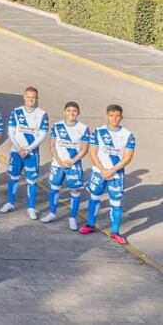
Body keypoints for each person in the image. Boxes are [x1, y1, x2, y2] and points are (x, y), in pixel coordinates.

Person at [80, 104, 136, 245]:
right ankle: (90, 225)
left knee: (116, 203)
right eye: (111, 115)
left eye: (117, 116)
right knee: (94, 198)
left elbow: (127, 158)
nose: (114, 118)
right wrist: (103, 170)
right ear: (106, 116)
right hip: (99, 172)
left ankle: (115, 232)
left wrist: (111, 171)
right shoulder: (98, 132)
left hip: (116, 174)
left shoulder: (128, 135)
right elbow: (92, 153)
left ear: (121, 117)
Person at [1, 86, 49, 219]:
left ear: (36, 99)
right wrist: (18, 148)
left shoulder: (42, 114)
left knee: (32, 181)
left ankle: (31, 208)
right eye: (28, 97)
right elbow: (11, 132)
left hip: (32, 154)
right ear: (24, 97)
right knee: (13, 177)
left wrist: (27, 149)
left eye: (33, 97)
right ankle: (10, 203)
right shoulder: (16, 112)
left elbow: (42, 135)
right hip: (16, 152)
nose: (30, 100)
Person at [42, 101, 91, 228]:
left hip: (73, 165)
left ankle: (72, 218)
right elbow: (52, 145)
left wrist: (73, 161)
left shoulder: (83, 128)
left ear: (78, 113)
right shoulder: (57, 126)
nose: (71, 113)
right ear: (64, 112)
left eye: (74, 111)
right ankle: (52, 213)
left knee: (75, 191)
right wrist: (59, 161)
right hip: (58, 164)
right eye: (69, 110)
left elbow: (84, 149)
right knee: (54, 188)